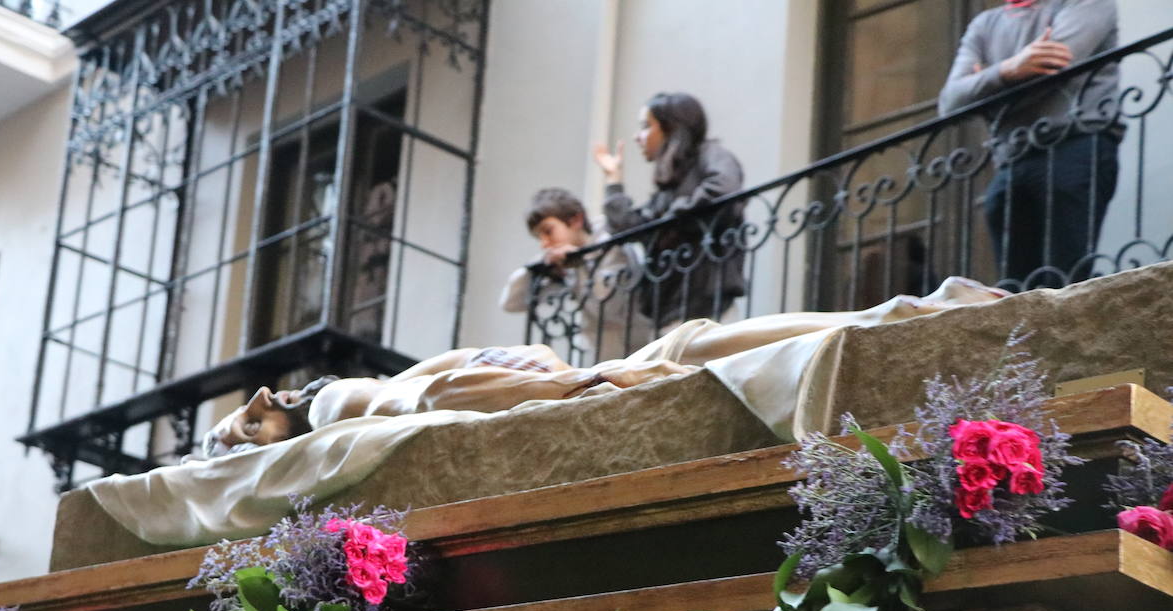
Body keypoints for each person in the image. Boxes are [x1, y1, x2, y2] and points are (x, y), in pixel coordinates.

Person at [201, 277, 1003, 456]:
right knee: (714, 345)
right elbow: (455, 383)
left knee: (710, 344)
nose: (258, 404)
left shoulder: (336, 403)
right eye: (240, 428)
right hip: (609, 370)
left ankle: (915, 311)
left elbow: (450, 381)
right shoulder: (337, 409)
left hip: (606, 369)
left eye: (241, 421)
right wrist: (562, 378)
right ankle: (914, 311)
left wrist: (561, 377)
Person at [938, 0, 1122, 287]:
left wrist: (983, 90)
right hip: (1011, 160)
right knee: (1015, 290)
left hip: (1074, 144)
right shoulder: (984, 24)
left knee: (1067, 281)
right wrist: (1010, 69)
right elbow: (950, 102)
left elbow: (1054, 72)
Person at [593, 91, 746, 326]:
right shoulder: (668, 188)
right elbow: (629, 227)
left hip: (708, 306)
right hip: (671, 308)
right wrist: (614, 178)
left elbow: (724, 189)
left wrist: (673, 219)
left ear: (671, 127)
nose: (637, 137)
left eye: (645, 126)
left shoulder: (711, 154)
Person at [498, 188, 644, 363]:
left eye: (548, 231)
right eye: (539, 237)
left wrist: (581, 263)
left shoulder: (613, 244)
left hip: (639, 352)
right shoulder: (564, 262)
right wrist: (537, 267)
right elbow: (511, 303)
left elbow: (609, 308)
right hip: (601, 359)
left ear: (576, 219)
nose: (544, 243)